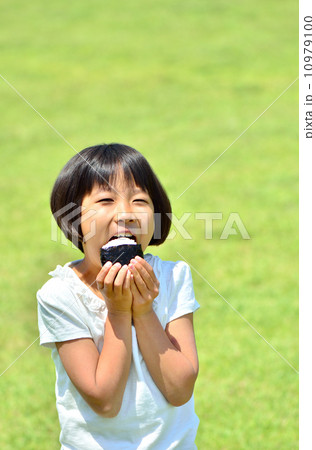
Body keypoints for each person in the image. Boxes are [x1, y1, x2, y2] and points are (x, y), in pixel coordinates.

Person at [37, 143, 200, 449]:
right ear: (74, 218)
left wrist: (144, 310)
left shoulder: (173, 277)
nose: (125, 213)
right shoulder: (59, 295)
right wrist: (119, 313)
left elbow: (179, 390)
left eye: (139, 200)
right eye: (106, 200)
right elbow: (105, 401)